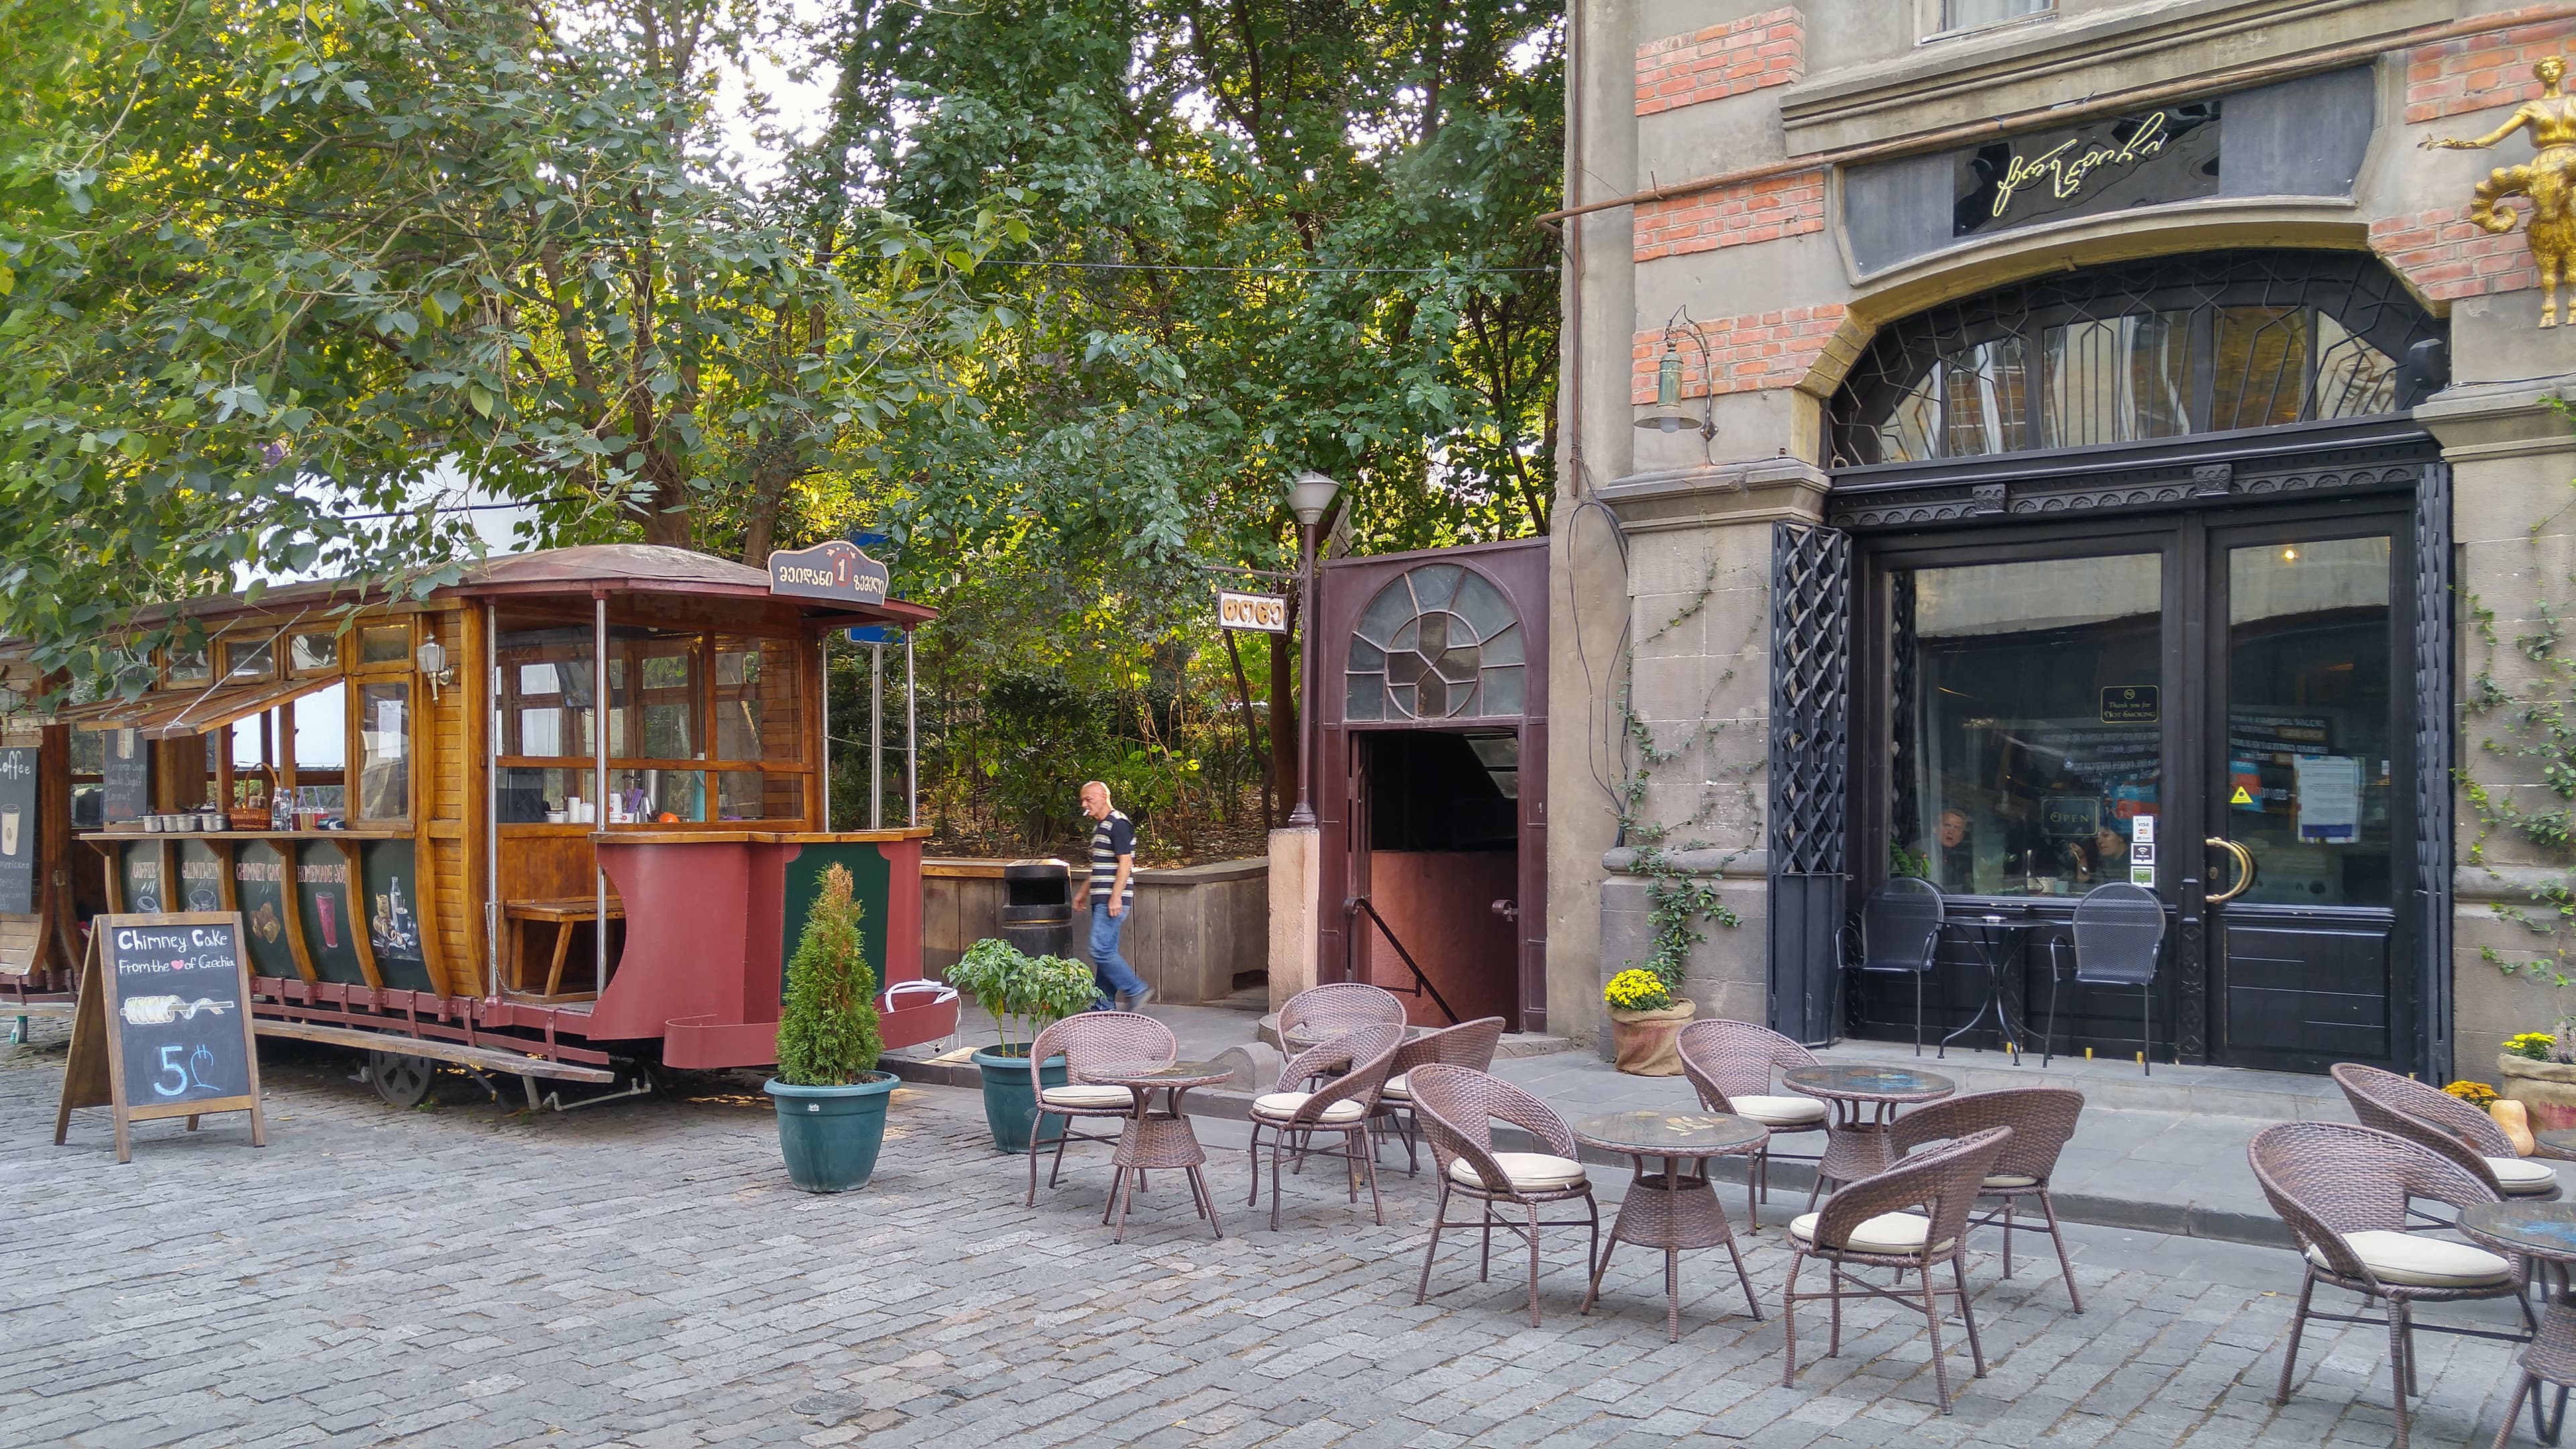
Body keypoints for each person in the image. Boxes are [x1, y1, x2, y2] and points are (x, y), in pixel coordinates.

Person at [1080, 780, 1151, 1012]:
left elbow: (1126, 863)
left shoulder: (1118, 824)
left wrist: (1115, 897)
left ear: (1103, 796)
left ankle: (1136, 989)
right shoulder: (1101, 827)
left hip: (1111, 900)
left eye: (1089, 799)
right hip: (1100, 898)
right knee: (1106, 951)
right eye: (1083, 800)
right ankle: (1103, 1004)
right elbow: (1100, 866)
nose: (1085, 804)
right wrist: (1082, 892)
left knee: (1100, 949)